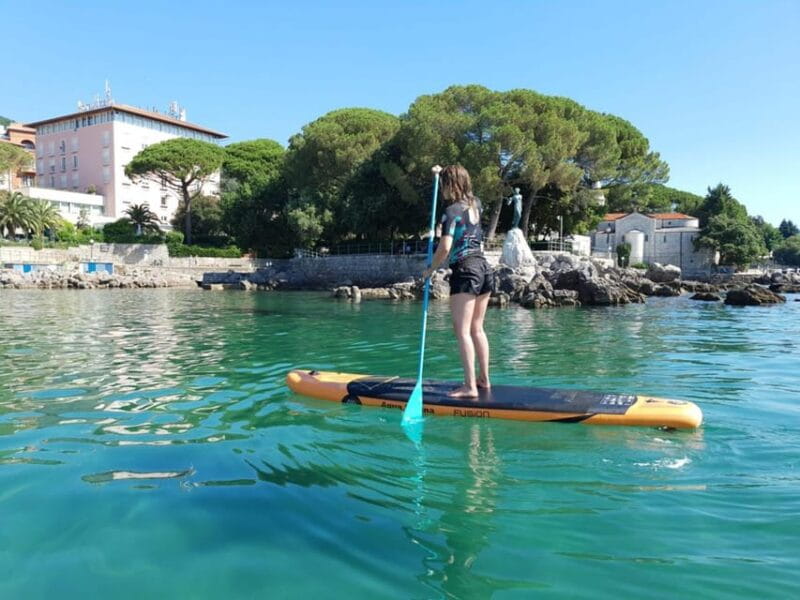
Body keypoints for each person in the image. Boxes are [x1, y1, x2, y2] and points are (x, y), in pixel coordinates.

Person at [422, 165, 493, 398]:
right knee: (477, 328)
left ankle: (470, 386)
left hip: (465, 269)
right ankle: (484, 380)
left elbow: (445, 246)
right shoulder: (477, 205)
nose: (441, 189)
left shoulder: (451, 211)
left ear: (450, 184)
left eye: (443, 184)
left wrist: (430, 270)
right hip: (484, 268)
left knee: (462, 331)